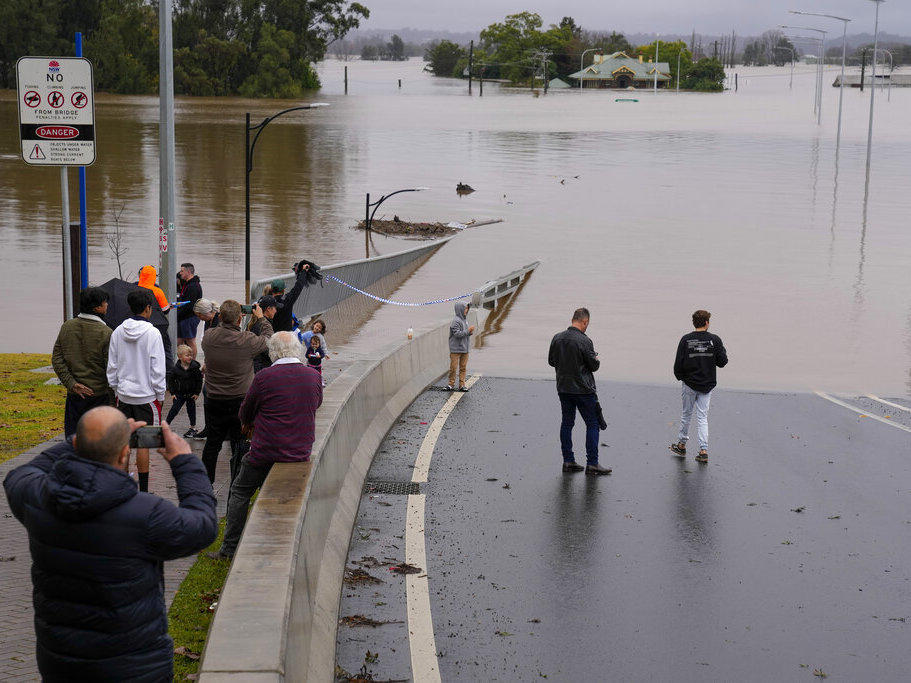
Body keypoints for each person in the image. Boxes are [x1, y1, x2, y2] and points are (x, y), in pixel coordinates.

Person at [3, 407, 217, 682]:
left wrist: (83, 441)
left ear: (77, 445)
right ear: (124, 454)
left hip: (61, 664)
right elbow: (203, 524)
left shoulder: (38, 499)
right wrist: (184, 461)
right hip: (133, 669)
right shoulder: (147, 514)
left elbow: (22, 473)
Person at [214, 332, 322, 559]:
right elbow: (317, 402)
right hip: (299, 451)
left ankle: (229, 548)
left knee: (240, 490)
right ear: (298, 350)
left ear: (273, 352)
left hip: (266, 451)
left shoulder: (264, 377)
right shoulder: (312, 376)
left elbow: (245, 412)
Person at [200, 300, 272, 483]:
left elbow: (217, 330)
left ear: (221, 317)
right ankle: (237, 483)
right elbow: (269, 339)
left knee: (212, 443)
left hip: (214, 399)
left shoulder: (208, 337)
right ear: (240, 319)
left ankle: (206, 484)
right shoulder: (247, 340)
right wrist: (261, 318)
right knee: (239, 444)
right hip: (240, 400)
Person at [107, 289, 167, 492]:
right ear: (148, 308)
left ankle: (123, 487)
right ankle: (142, 490)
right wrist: (160, 394)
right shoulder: (153, 333)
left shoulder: (117, 331)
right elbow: (157, 368)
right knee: (143, 444)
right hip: (146, 397)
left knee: (124, 442)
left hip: (123, 396)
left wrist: (116, 389)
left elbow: (112, 366)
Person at [547, 307, 611, 475]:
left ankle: (568, 461)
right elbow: (594, 366)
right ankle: (592, 464)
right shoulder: (585, 341)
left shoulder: (557, 338)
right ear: (585, 322)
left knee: (567, 423)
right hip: (583, 390)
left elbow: (551, 362)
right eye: (586, 323)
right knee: (592, 424)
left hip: (563, 387)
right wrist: (595, 358)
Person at [52, 286, 114, 438]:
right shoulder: (106, 333)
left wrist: (71, 383)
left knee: (73, 443)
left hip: (74, 396)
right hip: (99, 396)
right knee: (98, 443)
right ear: (98, 307)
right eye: (105, 303)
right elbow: (111, 368)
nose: (107, 305)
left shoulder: (67, 327)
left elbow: (57, 358)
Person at [670, 309, 729, 464]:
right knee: (702, 417)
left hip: (689, 383)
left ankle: (682, 445)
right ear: (707, 323)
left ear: (694, 322)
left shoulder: (686, 340)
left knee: (686, 415)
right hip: (707, 384)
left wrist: (680, 377)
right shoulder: (715, 340)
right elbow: (722, 362)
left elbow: (678, 363)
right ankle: (703, 450)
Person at [166, 344, 203, 438]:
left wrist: (196, 393)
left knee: (191, 410)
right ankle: (166, 425)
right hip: (179, 394)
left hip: (191, 394)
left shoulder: (195, 368)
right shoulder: (175, 369)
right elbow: (170, 381)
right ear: (180, 357)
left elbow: (199, 380)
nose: (190, 357)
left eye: (191, 355)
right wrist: (173, 392)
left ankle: (192, 427)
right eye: (187, 355)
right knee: (174, 410)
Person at [271, 260, 313, 333]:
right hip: (286, 335)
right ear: (283, 290)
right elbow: (298, 286)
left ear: (272, 290)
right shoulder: (287, 300)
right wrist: (303, 272)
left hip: (272, 335)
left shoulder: (267, 301)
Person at [176, 263, 202, 357]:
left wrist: (178, 315)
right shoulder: (187, 284)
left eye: (182, 271)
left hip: (189, 318)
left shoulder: (193, 286)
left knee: (190, 341)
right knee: (178, 341)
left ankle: (193, 363)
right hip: (183, 318)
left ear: (188, 272)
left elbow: (190, 305)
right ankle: (180, 362)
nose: (180, 273)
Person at [447, 302, 475, 391]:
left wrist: (469, 332)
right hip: (455, 349)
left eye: (467, 308)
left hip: (464, 348)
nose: (466, 310)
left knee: (463, 368)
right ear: (460, 309)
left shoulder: (464, 320)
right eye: (465, 308)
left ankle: (462, 385)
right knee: (453, 368)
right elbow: (457, 334)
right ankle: (451, 384)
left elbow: (465, 333)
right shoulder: (456, 321)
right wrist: (468, 331)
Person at [250, 295, 278, 373]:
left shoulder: (254, 323)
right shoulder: (262, 325)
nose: (276, 311)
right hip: (261, 368)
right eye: (275, 308)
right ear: (268, 309)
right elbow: (267, 347)